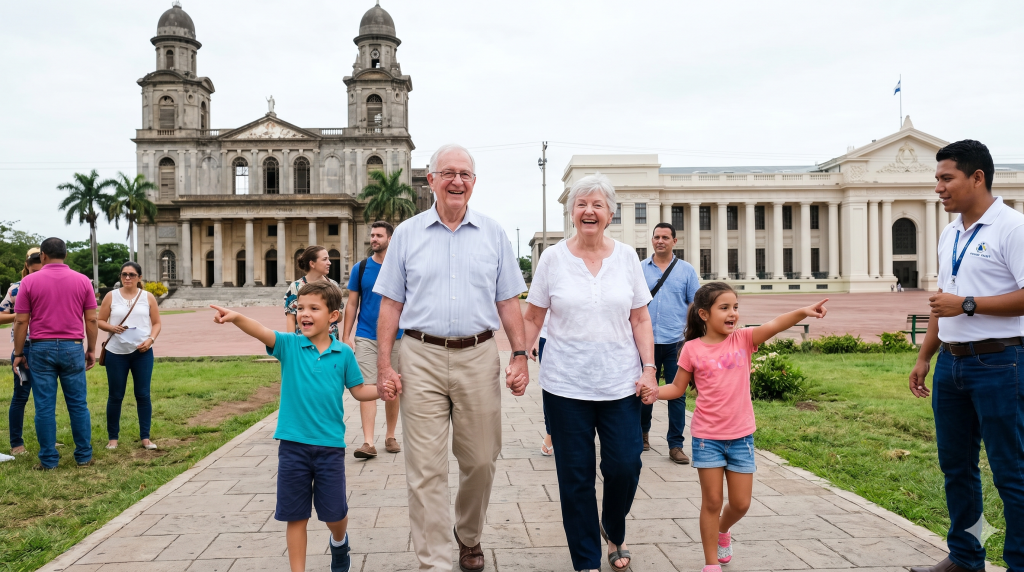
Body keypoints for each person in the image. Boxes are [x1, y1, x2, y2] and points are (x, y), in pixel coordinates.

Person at [373, 143, 529, 572]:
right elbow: (390, 304)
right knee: (425, 468)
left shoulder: (494, 234)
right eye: (448, 173)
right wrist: (385, 365)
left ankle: (468, 534)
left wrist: (520, 354)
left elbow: (509, 301)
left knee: (480, 459)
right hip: (420, 355)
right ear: (432, 181)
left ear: (474, 183)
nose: (457, 180)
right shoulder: (407, 234)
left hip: (478, 355)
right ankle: (436, 561)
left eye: (465, 174)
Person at [523, 173, 660, 572]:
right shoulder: (552, 259)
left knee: (625, 464)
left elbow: (640, 320)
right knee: (576, 477)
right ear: (571, 212)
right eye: (581, 205)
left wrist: (649, 369)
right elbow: (534, 316)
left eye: (597, 205)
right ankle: (587, 561)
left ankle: (612, 527)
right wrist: (519, 356)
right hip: (566, 385)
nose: (589, 211)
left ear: (610, 214)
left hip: (620, 383)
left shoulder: (627, 258)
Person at [650, 283, 827, 572]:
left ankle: (722, 530)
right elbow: (677, 387)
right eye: (725, 308)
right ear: (704, 314)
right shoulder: (692, 349)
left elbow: (775, 325)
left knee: (741, 503)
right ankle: (711, 564)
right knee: (712, 501)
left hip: (742, 437)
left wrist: (803, 312)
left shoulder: (743, 339)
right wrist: (654, 392)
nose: (733, 313)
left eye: (735, 307)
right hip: (707, 438)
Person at [908, 140, 1024, 572]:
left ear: (977, 178)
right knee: (957, 469)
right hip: (952, 365)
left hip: (1001, 364)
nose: (938, 187)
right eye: (937, 179)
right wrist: (925, 356)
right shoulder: (951, 231)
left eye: (946, 178)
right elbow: (943, 301)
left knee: (1011, 472)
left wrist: (970, 304)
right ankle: (966, 556)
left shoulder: (1013, 228)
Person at [211, 280, 380, 572]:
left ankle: (339, 543)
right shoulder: (289, 345)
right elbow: (261, 330)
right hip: (293, 446)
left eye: (314, 308)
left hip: (330, 447)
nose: (304, 313)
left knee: (335, 514)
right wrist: (236, 317)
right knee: (295, 516)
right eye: (300, 307)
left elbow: (360, 391)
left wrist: (384, 390)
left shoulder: (344, 354)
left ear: (333, 316)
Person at [12, 237, 98, 470]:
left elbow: (21, 320)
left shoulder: (30, 282)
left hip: (41, 347)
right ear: (65, 255)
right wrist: (91, 349)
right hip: (72, 346)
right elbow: (91, 318)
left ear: (43, 256)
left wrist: (19, 353)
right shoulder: (82, 281)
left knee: (44, 406)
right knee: (78, 404)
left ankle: (49, 460)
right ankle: (84, 456)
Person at [640, 222, 700, 463]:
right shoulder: (639, 269)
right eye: (656, 237)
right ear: (652, 240)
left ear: (675, 241)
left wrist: (694, 337)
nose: (660, 241)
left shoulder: (686, 271)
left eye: (665, 237)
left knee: (678, 394)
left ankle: (675, 445)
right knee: (644, 391)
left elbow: (694, 306)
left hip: (677, 342)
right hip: (646, 343)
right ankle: (641, 435)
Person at [343, 220, 402, 459]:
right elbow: (352, 303)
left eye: (378, 235)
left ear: (390, 239)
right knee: (368, 385)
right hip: (366, 335)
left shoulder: (400, 267)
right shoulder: (362, 267)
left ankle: (390, 435)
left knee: (391, 387)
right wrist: (346, 336)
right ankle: (368, 441)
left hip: (398, 336)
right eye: (372, 235)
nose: (373, 239)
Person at [97, 261, 162, 450]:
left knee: (143, 394)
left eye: (132, 275)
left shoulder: (148, 297)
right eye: (124, 274)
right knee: (116, 395)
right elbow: (99, 320)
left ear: (139, 278)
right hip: (116, 353)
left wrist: (150, 340)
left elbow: (157, 323)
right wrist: (112, 327)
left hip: (142, 352)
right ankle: (113, 438)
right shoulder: (111, 296)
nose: (127, 278)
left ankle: (145, 437)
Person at [1, 248, 42, 455]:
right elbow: (1, 315)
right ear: (26, 265)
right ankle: (17, 443)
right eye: (33, 269)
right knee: (21, 395)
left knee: (45, 395)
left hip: (44, 347)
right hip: (23, 348)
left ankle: (48, 438)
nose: (36, 273)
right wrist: (20, 314)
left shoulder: (50, 287)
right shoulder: (15, 290)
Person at [285, 245, 341, 338]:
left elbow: (339, 317)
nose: (329, 263)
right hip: (303, 344)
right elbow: (291, 319)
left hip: (330, 343)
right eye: (325, 259)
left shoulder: (333, 285)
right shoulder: (295, 287)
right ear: (312, 264)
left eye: (328, 259)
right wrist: (292, 345)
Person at [530, 313, 553, 456]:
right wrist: (533, 340)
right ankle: (551, 433)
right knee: (551, 389)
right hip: (550, 338)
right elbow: (535, 311)